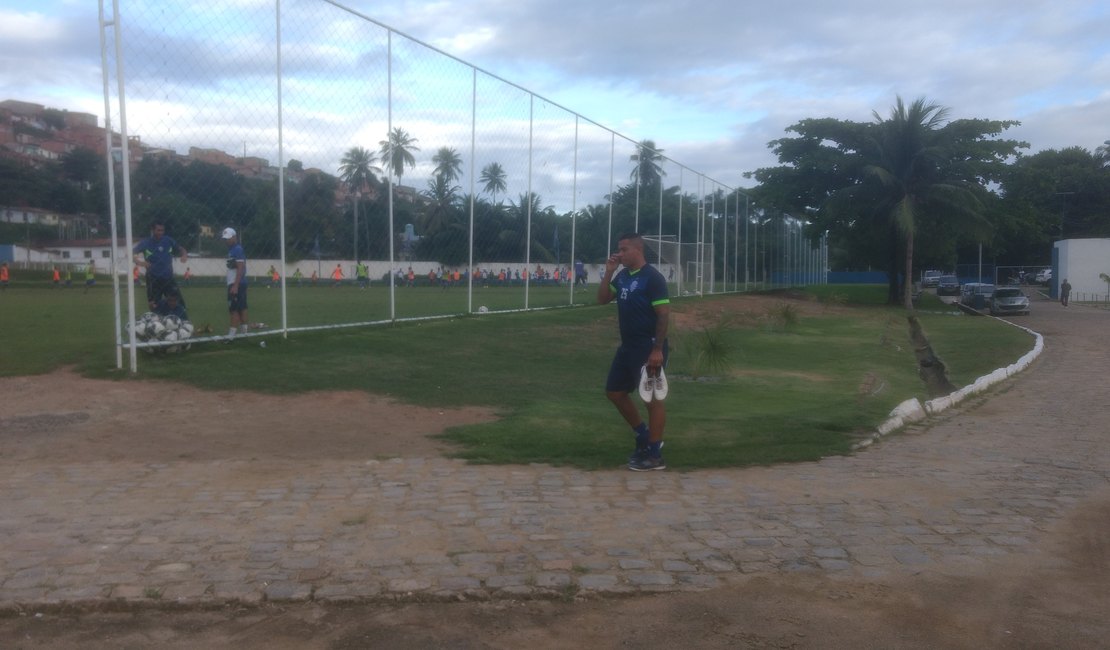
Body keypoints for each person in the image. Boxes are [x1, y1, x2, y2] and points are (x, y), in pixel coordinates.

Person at [598, 232, 671, 471]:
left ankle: (654, 454)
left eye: (623, 249)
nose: (619, 254)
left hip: (649, 347)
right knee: (615, 391)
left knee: (651, 398)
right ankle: (642, 435)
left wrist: (657, 349)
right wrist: (609, 270)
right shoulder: (621, 276)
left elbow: (663, 315)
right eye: (618, 249)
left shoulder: (653, 278)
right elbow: (602, 299)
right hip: (628, 346)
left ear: (637, 250)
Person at [133, 220, 188, 310]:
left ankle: (179, 321)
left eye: (162, 230)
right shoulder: (145, 243)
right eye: (158, 230)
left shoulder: (168, 240)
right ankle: (157, 321)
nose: (160, 232)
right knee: (154, 306)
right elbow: (131, 253)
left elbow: (182, 249)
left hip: (168, 278)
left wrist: (184, 255)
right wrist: (140, 263)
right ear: (152, 230)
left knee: (179, 306)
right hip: (153, 279)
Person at [222, 227, 249, 341]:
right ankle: (244, 334)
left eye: (228, 238)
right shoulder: (232, 250)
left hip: (236, 283)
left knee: (234, 309)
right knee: (242, 307)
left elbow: (240, 268)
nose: (226, 241)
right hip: (238, 283)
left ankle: (231, 336)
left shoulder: (237, 249)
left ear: (234, 237)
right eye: (225, 239)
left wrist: (235, 285)